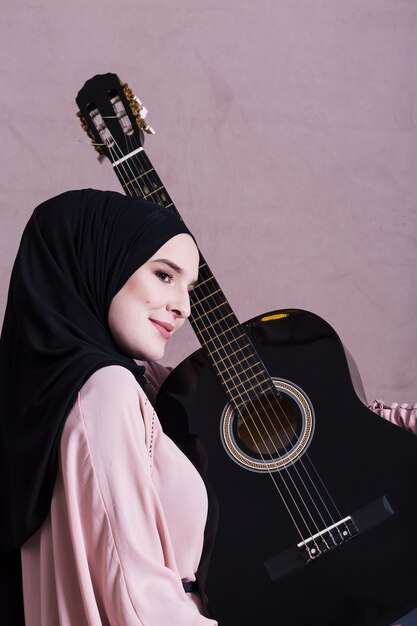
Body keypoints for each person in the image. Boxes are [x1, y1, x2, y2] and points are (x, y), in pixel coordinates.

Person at [0, 189, 218, 625]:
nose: (183, 307)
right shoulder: (105, 390)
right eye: (164, 275)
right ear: (99, 263)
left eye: (189, 287)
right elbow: (139, 600)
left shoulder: (54, 388)